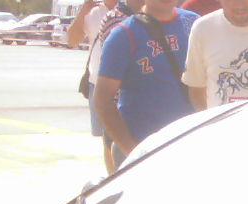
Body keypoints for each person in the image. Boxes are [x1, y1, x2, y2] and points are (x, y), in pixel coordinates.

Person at [95, 0, 199, 161]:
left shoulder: (194, 23)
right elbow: (103, 101)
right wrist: (133, 152)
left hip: (191, 143)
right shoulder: (124, 35)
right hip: (145, 147)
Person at [68, 0, 118, 173]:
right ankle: (113, 177)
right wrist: (85, 8)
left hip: (126, 84)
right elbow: (72, 40)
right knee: (107, 139)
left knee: (123, 136)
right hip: (98, 84)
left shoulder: (131, 7)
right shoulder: (93, 12)